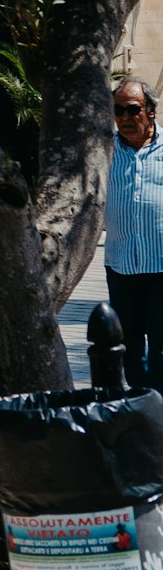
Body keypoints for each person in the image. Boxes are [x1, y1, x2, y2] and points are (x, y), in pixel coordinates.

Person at [108, 80, 163, 388]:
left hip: (162, 266)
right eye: (119, 111)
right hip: (122, 266)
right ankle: (146, 409)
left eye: (133, 110)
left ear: (151, 111)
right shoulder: (103, 152)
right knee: (129, 349)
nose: (126, 118)